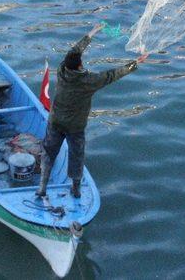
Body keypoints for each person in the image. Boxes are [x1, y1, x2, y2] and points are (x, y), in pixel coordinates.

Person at [37, 24, 149, 198]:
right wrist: (135, 63)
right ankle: (75, 189)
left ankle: (42, 187)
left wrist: (92, 32)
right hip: (75, 126)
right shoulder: (89, 81)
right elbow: (113, 74)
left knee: (49, 152)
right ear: (80, 65)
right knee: (76, 156)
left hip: (56, 121)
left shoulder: (61, 70)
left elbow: (75, 50)